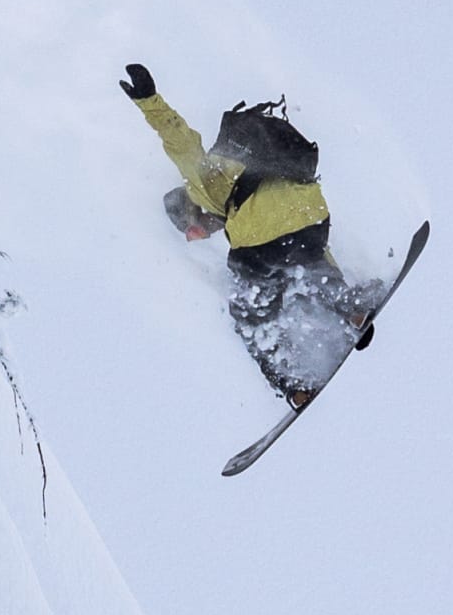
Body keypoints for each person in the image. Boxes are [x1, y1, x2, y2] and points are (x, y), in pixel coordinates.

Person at [120, 64, 380, 402]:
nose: (201, 233)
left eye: (193, 227)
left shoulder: (202, 181)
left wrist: (148, 100)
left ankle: (296, 387)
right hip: (312, 214)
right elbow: (314, 254)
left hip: (260, 240)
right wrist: (342, 299)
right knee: (310, 268)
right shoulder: (240, 160)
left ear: (190, 207)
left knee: (250, 316)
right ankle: (351, 308)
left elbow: (180, 141)